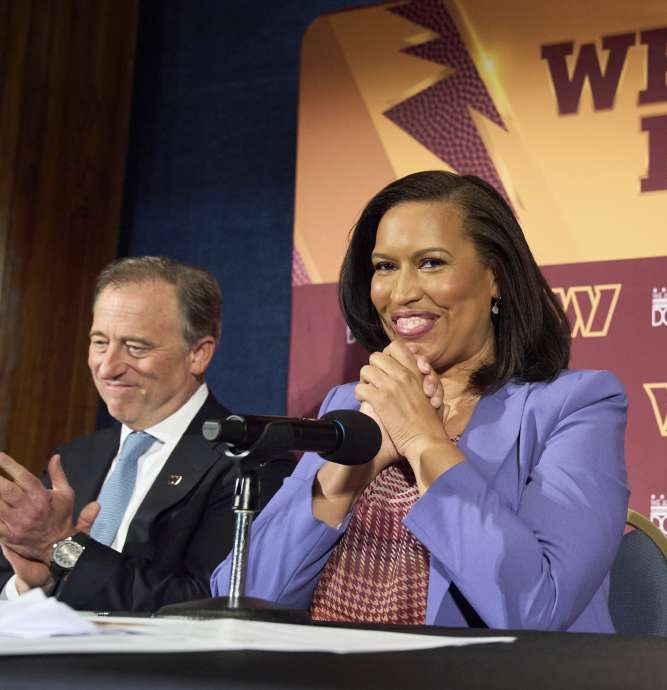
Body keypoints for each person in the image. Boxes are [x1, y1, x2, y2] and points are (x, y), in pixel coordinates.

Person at [213, 171, 629, 632]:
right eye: (385, 267)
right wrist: (352, 469)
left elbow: (537, 609)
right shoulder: (351, 402)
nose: (401, 293)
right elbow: (242, 598)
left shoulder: (575, 405)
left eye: (430, 263)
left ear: (497, 278)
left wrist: (422, 440)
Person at [0, 257, 290, 611]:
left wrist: (63, 548)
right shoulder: (75, 460)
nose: (108, 367)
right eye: (100, 342)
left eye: (135, 347)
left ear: (198, 354)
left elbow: (208, 604)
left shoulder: (248, 461)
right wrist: (32, 584)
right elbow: (12, 580)